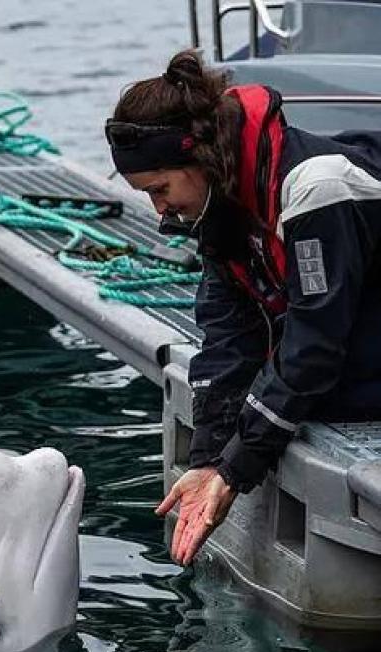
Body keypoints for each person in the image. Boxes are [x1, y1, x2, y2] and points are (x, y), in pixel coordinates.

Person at [105, 49, 381, 567]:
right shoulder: (223, 208)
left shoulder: (317, 188)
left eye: (160, 189)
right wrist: (210, 458)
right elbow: (228, 338)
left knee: (324, 385)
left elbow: (315, 346)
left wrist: (236, 469)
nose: (157, 208)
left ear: (200, 158)